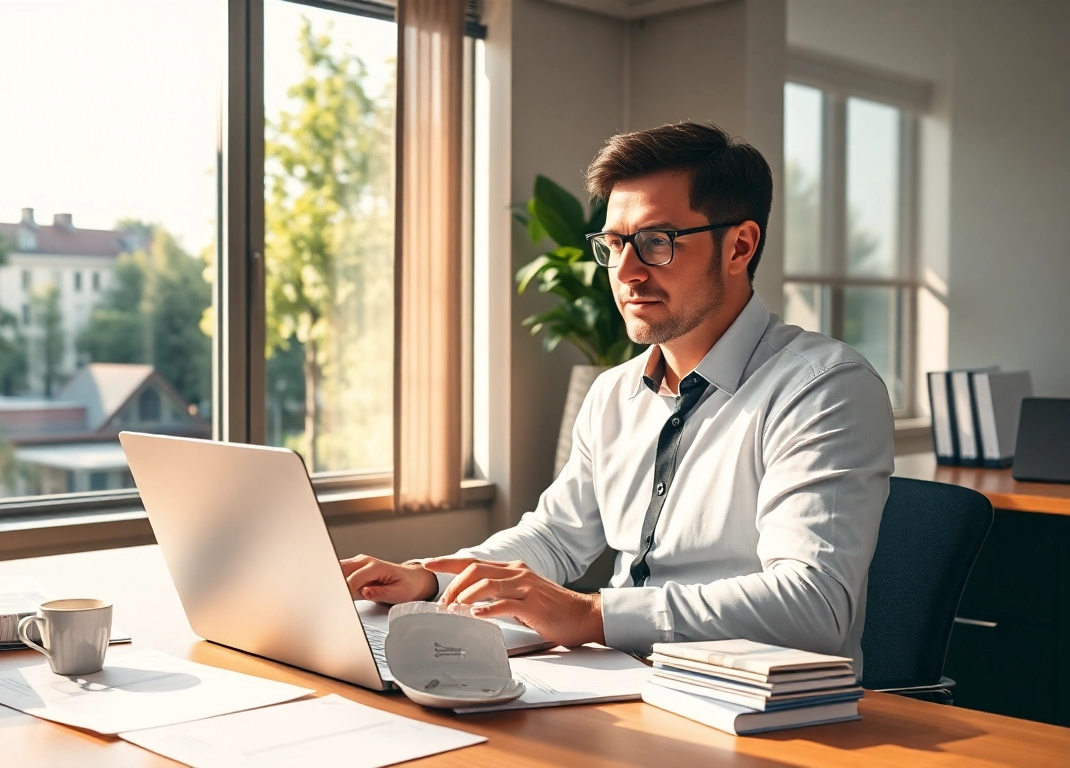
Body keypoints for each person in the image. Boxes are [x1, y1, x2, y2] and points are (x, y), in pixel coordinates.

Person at [341, 121, 893, 673]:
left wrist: (594, 614)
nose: (626, 272)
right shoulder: (614, 392)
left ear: (739, 246)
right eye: (614, 244)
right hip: (619, 688)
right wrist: (434, 580)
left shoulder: (823, 389)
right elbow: (556, 538)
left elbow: (814, 605)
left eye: (657, 242)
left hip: (757, 712)